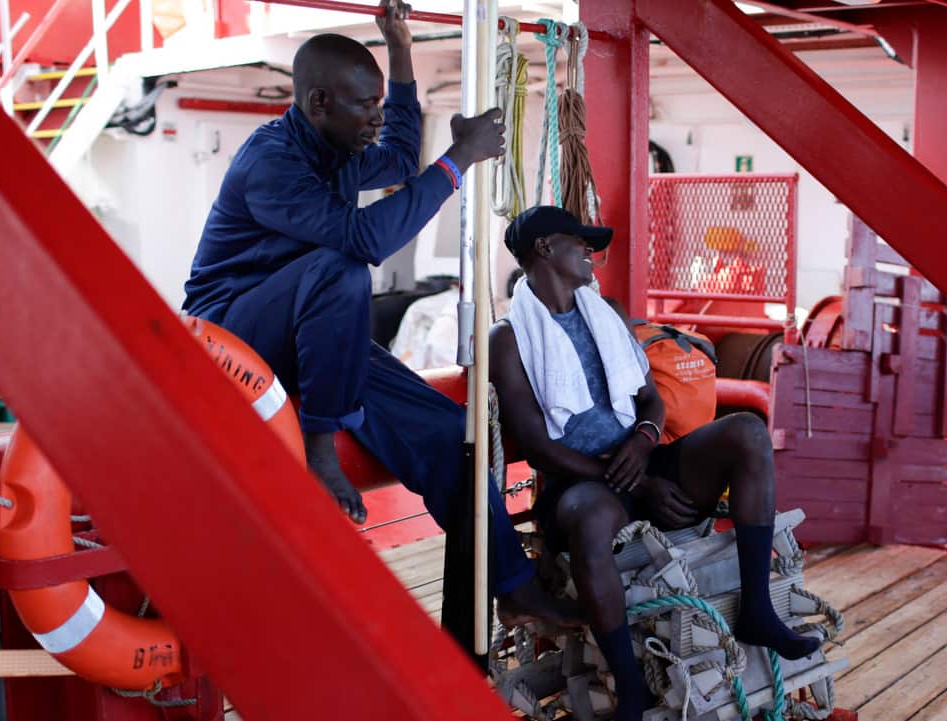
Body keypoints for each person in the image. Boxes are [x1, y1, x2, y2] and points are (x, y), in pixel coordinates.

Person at [181, 0, 574, 628]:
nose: (376, 116)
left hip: (308, 333)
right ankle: (320, 446)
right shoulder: (271, 163)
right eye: (364, 105)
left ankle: (513, 587)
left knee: (451, 435)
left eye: (376, 102)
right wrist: (458, 162)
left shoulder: (334, 148)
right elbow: (362, 242)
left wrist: (400, 47)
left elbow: (396, 157)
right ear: (317, 103)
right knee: (341, 266)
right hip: (230, 337)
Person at [490, 206, 822, 721]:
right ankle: (630, 686)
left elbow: (651, 400)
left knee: (747, 432)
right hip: (581, 484)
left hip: (639, 457)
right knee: (592, 514)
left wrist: (646, 442)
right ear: (545, 249)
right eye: (579, 242)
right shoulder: (508, 337)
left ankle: (756, 609)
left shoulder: (609, 312)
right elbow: (536, 444)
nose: (590, 253)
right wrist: (635, 482)